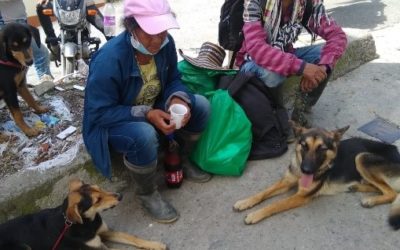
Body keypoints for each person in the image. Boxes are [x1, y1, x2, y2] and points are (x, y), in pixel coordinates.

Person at [82, 0, 211, 223]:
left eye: (162, 32)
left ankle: (182, 158)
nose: (157, 39)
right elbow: (99, 112)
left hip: (151, 108)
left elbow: (173, 80)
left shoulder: (165, 44)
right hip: (113, 122)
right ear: (132, 27)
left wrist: (176, 98)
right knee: (143, 134)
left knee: (200, 106)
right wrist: (147, 113)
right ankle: (147, 193)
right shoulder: (109, 59)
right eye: (150, 33)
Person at [236, 0, 347, 131]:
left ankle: (301, 109)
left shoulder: (305, 4)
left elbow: (338, 36)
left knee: (327, 55)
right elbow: (257, 49)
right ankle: (275, 116)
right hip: (251, 63)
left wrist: (321, 69)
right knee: (274, 74)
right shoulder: (255, 3)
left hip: (285, 53)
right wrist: (302, 67)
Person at [36, 0, 111, 61]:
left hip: (85, 3)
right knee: (40, 6)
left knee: (107, 28)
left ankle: (115, 52)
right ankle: (54, 44)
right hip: (61, 4)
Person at [0, 0, 54, 83]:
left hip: (19, 21)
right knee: (39, 54)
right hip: (6, 24)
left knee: (34, 56)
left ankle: (25, 85)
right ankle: (45, 83)